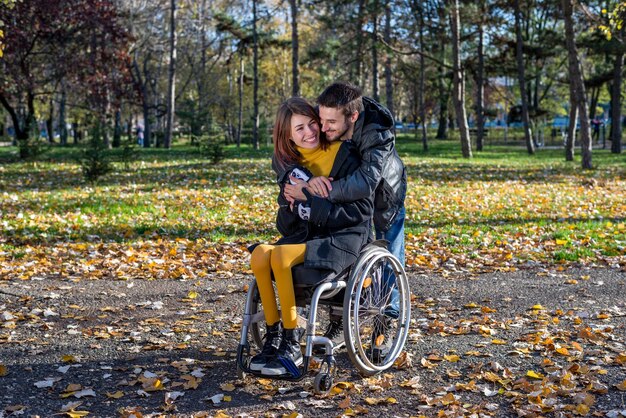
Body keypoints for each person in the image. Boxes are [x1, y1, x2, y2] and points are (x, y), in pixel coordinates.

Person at [249, 97, 373, 376]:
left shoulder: (344, 154)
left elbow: (362, 209)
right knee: (260, 254)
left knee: (280, 255)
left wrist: (309, 197)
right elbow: (287, 225)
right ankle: (273, 338)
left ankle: (292, 342)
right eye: (299, 129)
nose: (309, 133)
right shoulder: (292, 167)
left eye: (311, 124)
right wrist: (289, 201)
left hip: (342, 237)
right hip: (308, 236)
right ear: (288, 136)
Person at [281, 82, 407, 351]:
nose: (322, 129)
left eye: (329, 123)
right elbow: (290, 147)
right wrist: (300, 181)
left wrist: (315, 193)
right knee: (343, 258)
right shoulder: (329, 115)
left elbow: (365, 182)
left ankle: (387, 324)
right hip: (343, 200)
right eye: (321, 120)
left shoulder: (378, 132)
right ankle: (339, 322)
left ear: (353, 117)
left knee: (388, 263)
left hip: (384, 198)